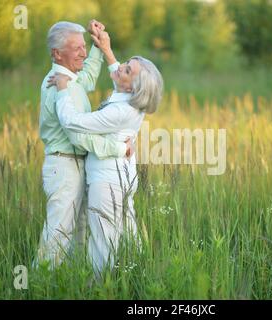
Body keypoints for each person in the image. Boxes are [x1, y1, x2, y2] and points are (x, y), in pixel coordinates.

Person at [47, 29, 163, 274]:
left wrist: (62, 89)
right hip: (123, 179)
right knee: (129, 236)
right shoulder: (128, 97)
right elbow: (116, 74)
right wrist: (106, 48)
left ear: (134, 87)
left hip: (108, 183)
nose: (121, 68)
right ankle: (144, 276)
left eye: (128, 70)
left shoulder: (119, 112)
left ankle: (100, 288)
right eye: (126, 64)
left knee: (102, 245)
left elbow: (72, 121)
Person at [36, 20, 133, 268]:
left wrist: (97, 45)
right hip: (64, 165)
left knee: (77, 235)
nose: (82, 52)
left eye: (83, 46)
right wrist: (119, 149)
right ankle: (39, 287)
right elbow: (78, 135)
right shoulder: (58, 86)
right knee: (58, 234)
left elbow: (88, 76)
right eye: (76, 48)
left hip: (76, 165)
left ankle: (68, 288)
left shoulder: (69, 79)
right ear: (57, 53)